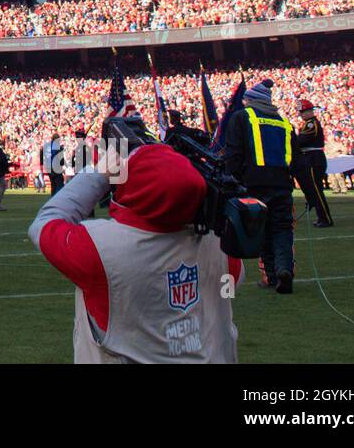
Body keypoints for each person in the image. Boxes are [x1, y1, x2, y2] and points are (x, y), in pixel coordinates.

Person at [29, 143, 243, 363]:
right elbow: (230, 284)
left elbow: (44, 224)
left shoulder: (101, 247)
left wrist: (98, 175)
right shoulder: (220, 243)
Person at [221, 79, 296, 292]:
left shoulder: (242, 118)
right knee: (282, 230)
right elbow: (295, 158)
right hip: (282, 185)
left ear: (252, 101)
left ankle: (272, 275)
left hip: (253, 185)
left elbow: (234, 152)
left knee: (260, 229)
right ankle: (284, 270)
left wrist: (231, 179)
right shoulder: (284, 122)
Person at [293, 100, 333, 227]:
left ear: (310, 111)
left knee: (316, 190)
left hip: (313, 158)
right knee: (314, 190)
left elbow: (302, 140)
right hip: (311, 157)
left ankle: (325, 218)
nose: (301, 114)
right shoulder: (308, 124)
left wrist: (292, 141)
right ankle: (322, 217)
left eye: (303, 112)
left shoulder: (312, 124)